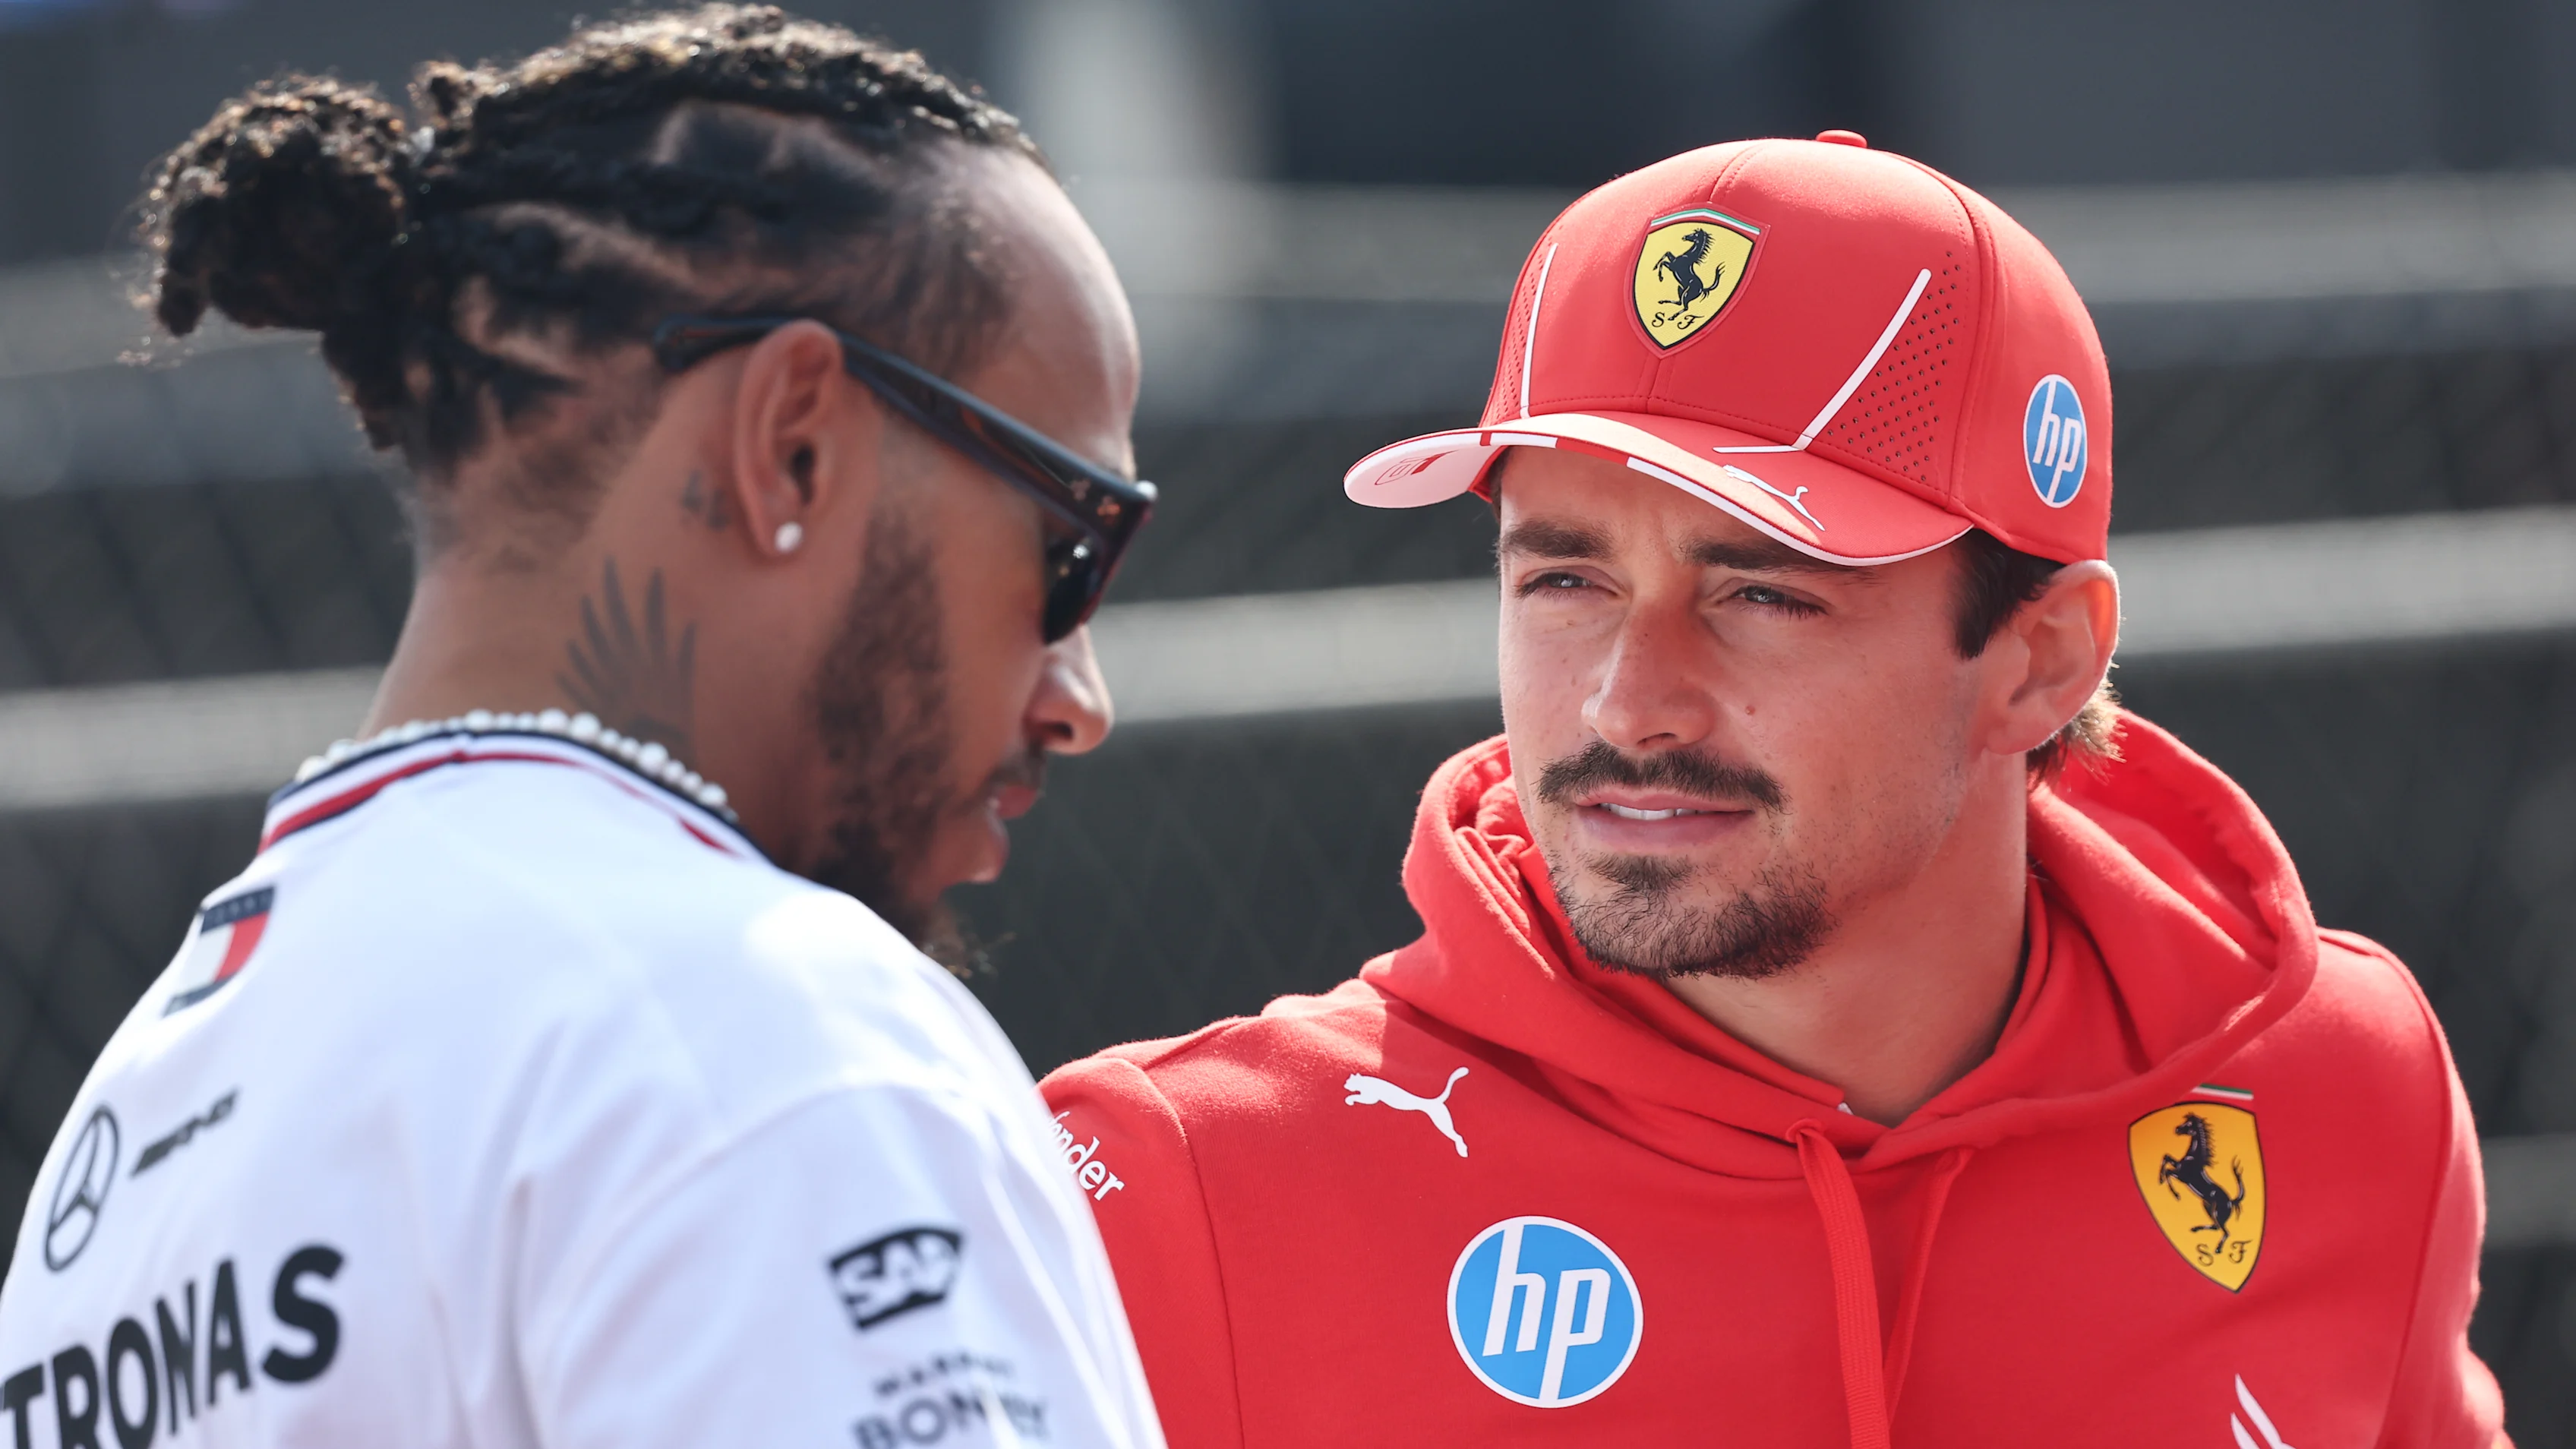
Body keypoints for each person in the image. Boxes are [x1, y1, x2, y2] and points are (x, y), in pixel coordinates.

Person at [1040, 134, 2506, 1446]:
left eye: (1761, 592)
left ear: (2041, 661)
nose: (1629, 700)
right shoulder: (1161, 1187)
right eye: (1563, 576)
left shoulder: (2339, 1083)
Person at [0, 8, 1166, 1447]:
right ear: (791, 438)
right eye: (1073, 545)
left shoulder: (131, 1143)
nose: (1079, 697)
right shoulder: (766, 1031)